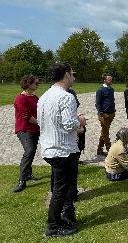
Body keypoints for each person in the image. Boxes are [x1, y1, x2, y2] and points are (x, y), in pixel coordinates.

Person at [38, 62, 87, 238]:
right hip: (62, 149)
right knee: (60, 190)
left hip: (49, 148)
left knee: (61, 188)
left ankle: (64, 217)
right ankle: (52, 227)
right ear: (66, 75)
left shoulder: (44, 96)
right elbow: (68, 124)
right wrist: (79, 121)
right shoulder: (66, 97)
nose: (74, 77)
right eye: (72, 74)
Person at [13, 74, 41, 193]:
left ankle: (28, 174)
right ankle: (22, 180)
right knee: (29, 151)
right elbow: (27, 117)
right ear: (28, 84)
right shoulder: (21, 99)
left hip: (35, 129)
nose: (37, 84)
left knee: (32, 151)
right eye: (36, 83)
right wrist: (41, 123)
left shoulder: (35, 98)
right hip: (24, 129)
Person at [95, 73, 115, 156]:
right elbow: (98, 103)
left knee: (104, 132)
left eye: (111, 79)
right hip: (104, 114)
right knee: (106, 133)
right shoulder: (100, 90)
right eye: (109, 79)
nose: (111, 80)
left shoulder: (111, 89)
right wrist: (102, 113)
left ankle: (99, 150)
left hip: (111, 113)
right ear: (104, 80)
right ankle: (109, 149)